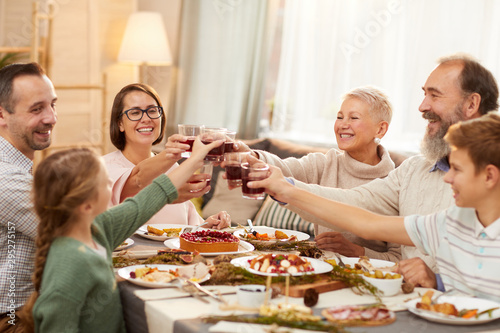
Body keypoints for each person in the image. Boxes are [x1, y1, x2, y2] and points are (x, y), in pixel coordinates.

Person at [260, 54, 499, 289]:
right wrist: (285, 189)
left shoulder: (469, 211)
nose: (422, 106)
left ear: (471, 104)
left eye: (434, 95)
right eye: (424, 94)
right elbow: (362, 214)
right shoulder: (430, 198)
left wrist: (437, 283)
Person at [251, 112, 500, 301]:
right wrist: (287, 190)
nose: (446, 177)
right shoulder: (449, 222)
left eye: (457, 169)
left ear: (489, 176)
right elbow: (365, 223)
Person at [22, 138, 223, 332]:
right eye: (105, 182)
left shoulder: (98, 230)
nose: (112, 184)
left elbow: (150, 198)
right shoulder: (72, 262)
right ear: (86, 205)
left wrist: (194, 160)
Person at [237, 86, 401, 261]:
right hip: (319, 268)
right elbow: (284, 169)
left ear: (380, 130)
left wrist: (358, 252)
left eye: (353, 118)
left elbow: (400, 258)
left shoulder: (395, 183)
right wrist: (252, 156)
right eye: (339, 117)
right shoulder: (325, 163)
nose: (343, 125)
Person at [104, 83, 230, 228]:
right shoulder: (104, 168)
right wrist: (175, 154)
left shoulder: (173, 168)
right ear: (120, 123)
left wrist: (211, 224)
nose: (146, 119)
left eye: (152, 110)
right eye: (135, 113)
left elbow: (188, 228)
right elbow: (138, 179)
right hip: (130, 251)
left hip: (175, 251)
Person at [0, 62, 57, 328]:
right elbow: (81, 232)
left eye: (52, 105)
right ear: (2, 115)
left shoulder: (19, 168)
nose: (51, 118)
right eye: (37, 109)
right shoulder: (5, 177)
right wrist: (164, 189)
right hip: (13, 321)